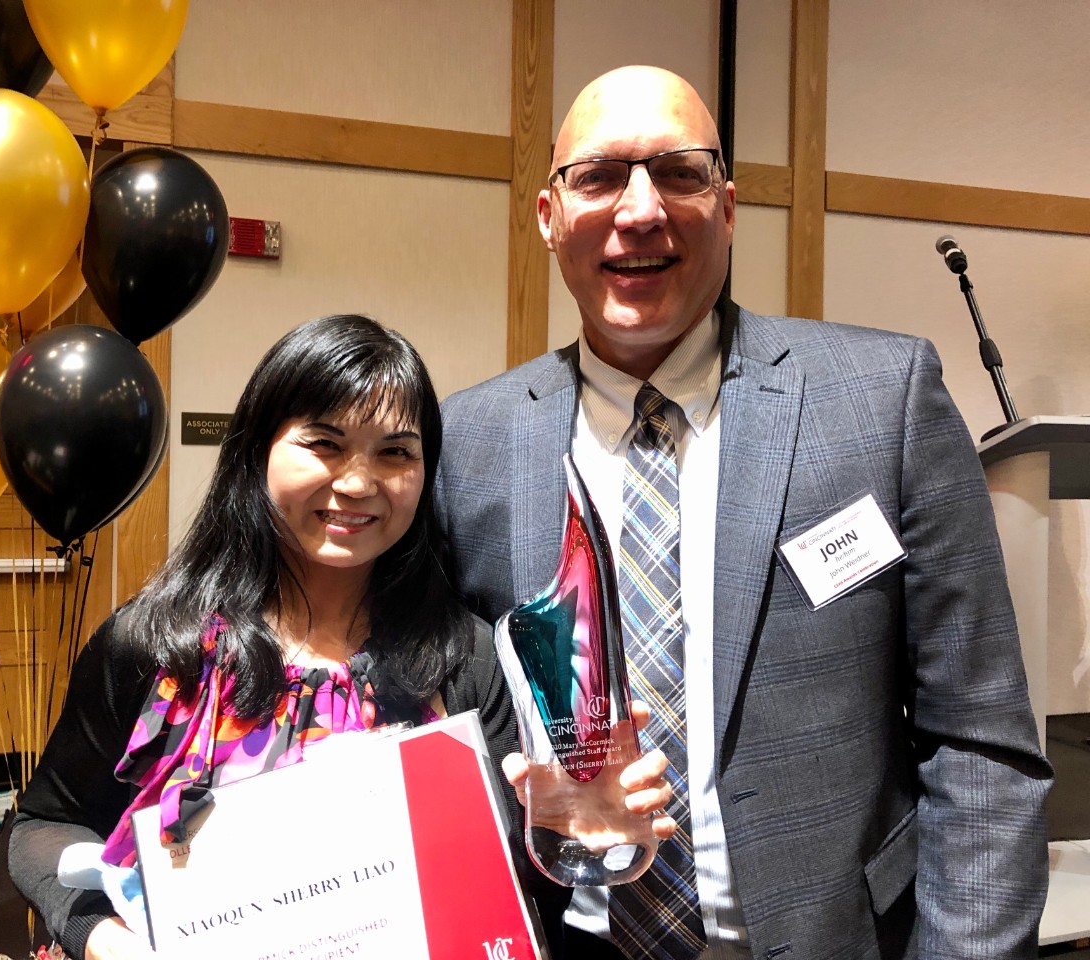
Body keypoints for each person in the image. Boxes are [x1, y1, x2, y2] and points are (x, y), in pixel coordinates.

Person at [437, 66, 1052, 960]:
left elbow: (981, 744)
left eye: (679, 174)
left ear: (727, 207)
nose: (641, 210)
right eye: (601, 176)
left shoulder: (884, 400)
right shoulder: (468, 440)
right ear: (548, 216)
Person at [8, 314, 671, 960]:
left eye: (395, 453)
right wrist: (104, 942)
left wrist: (562, 839)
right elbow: (43, 826)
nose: (357, 482)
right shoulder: (156, 645)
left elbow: (502, 907)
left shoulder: (463, 661)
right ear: (257, 450)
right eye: (323, 444)